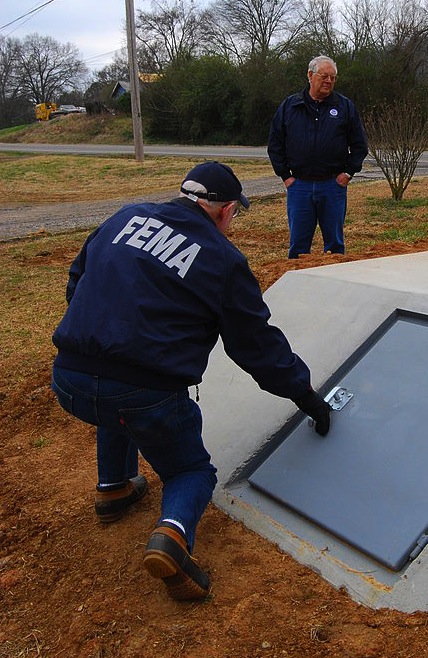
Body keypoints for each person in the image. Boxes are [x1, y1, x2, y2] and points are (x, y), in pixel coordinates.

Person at [51, 161, 331, 601]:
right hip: (144, 394)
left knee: (117, 403)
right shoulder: (221, 259)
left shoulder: (124, 217)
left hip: (69, 378)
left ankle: (114, 489)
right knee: (190, 469)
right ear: (223, 212)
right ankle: (173, 539)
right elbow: (255, 345)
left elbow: (77, 280)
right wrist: (304, 393)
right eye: (234, 215)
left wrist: (100, 332)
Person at [267, 55, 368, 259]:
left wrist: (347, 173)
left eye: (333, 77)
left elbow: (360, 145)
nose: (329, 81)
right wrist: (286, 176)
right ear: (310, 75)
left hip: (332, 186)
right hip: (299, 187)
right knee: (298, 247)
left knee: (335, 247)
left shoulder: (344, 107)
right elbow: (275, 144)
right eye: (324, 76)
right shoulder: (290, 106)